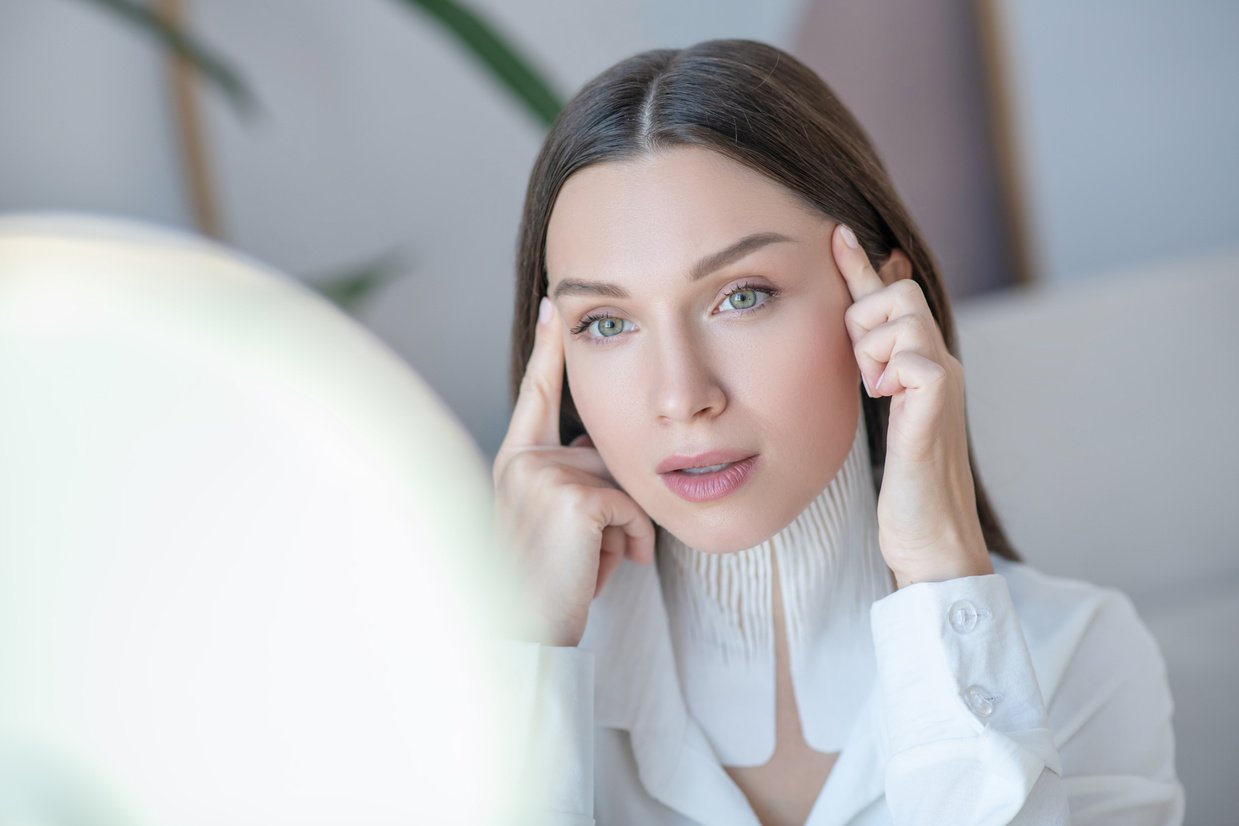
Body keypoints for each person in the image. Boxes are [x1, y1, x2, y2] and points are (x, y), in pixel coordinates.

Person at [492, 39, 1183, 825]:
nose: (681, 397)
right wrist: (526, 648)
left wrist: (940, 576)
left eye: (742, 297)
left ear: (885, 304)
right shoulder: (494, 679)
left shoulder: (1079, 655)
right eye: (607, 321)